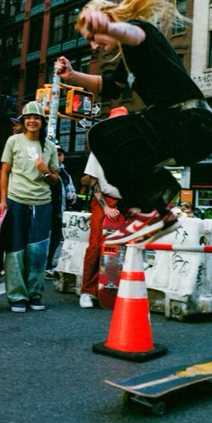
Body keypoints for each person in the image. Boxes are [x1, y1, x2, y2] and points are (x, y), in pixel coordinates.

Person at [55, 0, 212, 245]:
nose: (93, 46)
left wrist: (109, 26)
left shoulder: (138, 33)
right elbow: (110, 88)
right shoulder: (126, 61)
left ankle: (149, 209)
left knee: (102, 135)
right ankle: (160, 205)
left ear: (107, 21)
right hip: (179, 130)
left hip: (189, 124)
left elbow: (134, 34)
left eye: (93, 37)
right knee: (117, 141)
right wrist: (72, 76)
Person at [0, 101, 59, 313]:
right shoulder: (13, 141)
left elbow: (55, 179)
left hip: (42, 204)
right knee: (15, 250)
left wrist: (44, 171)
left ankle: (35, 294)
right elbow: (4, 171)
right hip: (16, 200)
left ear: (42, 122)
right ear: (23, 121)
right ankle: (17, 297)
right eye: (28, 118)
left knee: (38, 251)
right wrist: (3, 201)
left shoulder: (49, 146)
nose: (32, 121)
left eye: (37, 118)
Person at [79, 106, 128, 309]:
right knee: (96, 244)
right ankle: (88, 291)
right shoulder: (100, 148)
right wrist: (105, 207)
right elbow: (93, 181)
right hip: (104, 200)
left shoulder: (131, 149)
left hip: (125, 202)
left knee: (122, 247)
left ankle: (112, 288)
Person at [46, 146, 76, 271]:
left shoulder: (65, 173)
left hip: (61, 211)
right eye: (55, 154)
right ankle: (42, 262)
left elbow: (71, 189)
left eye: (60, 154)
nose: (58, 157)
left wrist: (72, 197)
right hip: (48, 210)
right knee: (44, 238)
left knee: (56, 238)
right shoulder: (47, 170)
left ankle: (49, 261)